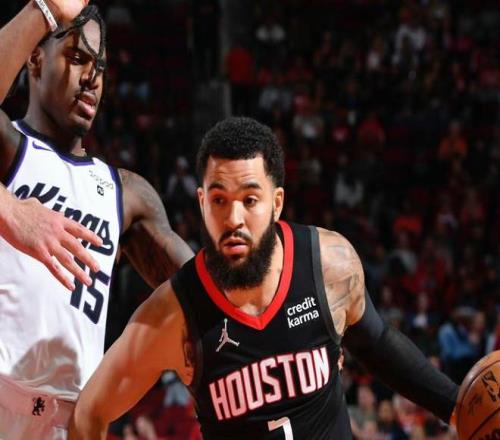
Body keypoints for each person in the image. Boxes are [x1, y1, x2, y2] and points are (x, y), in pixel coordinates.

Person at [69, 117, 458, 439]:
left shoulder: (329, 263)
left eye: (250, 200)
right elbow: (89, 413)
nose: (233, 218)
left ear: (277, 203)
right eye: (219, 200)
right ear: (202, 203)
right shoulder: (172, 315)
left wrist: (457, 406)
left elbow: (377, 342)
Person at [0, 1, 193, 438]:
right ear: (34, 58)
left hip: (73, 422)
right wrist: (42, 12)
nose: (92, 78)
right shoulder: (9, 148)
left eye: (100, 67)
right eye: (77, 58)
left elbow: (200, 289)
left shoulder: (128, 193)